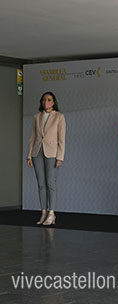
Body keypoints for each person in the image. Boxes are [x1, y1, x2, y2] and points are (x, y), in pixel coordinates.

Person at [27, 91, 66, 226]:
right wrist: (29, 156)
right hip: (37, 152)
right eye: (44, 100)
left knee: (51, 183)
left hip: (52, 153)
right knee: (41, 184)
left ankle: (51, 213)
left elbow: (62, 139)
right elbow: (32, 137)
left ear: (54, 102)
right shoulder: (37, 116)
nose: (46, 102)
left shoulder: (59, 117)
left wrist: (60, 156)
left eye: (49, 100)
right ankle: (43, 211)